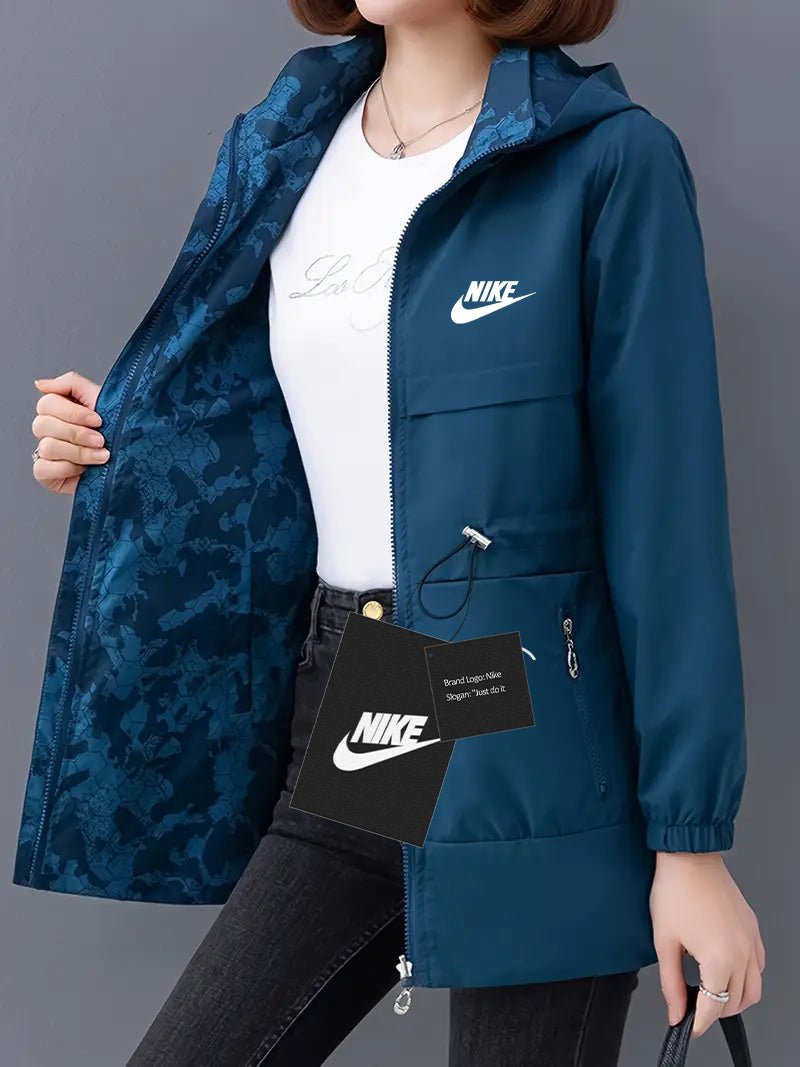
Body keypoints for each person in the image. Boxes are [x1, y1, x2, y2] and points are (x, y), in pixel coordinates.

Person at [19, 1, 765, 1064]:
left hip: (530, 722)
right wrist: (125, 452)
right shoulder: (285, 146)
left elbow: (668, 520)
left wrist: (690, 843)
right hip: (373, 687)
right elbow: (283, 440)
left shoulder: (605, 162)